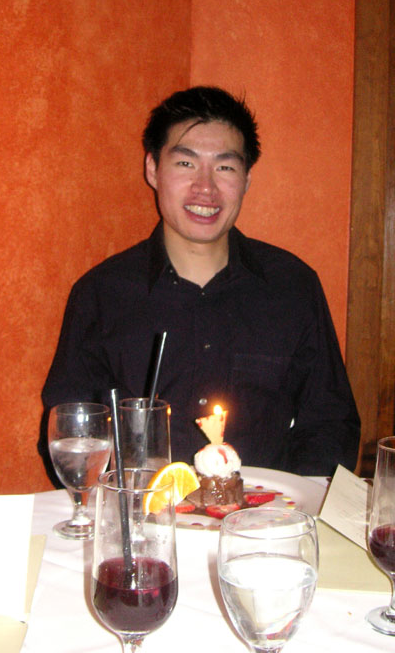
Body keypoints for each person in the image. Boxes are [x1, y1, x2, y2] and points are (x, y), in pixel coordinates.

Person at [40, 86, 360, 476]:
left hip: (265, 511)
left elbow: (330, 426)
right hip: (144, 511)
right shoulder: (101, 294)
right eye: (185, 163)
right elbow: (71, 431)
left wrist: (288, 504)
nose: (205, 188)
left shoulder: (292, 287)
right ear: (153, 169)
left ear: (246, 179)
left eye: (225, 167)